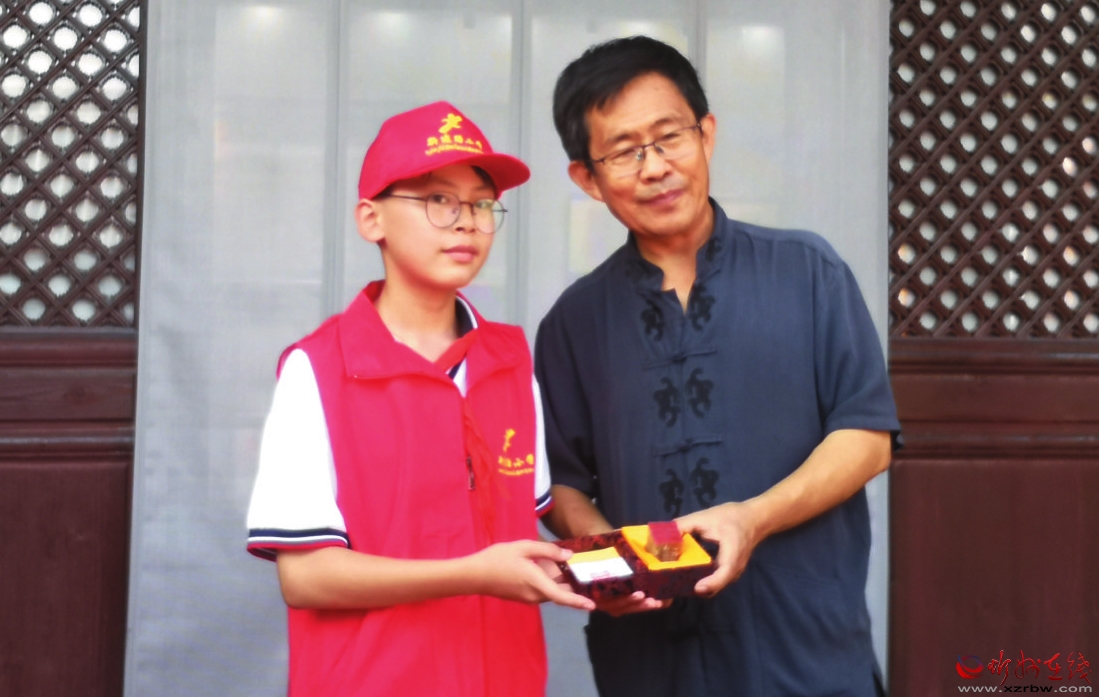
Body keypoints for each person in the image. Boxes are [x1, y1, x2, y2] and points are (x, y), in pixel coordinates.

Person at [535, 36, 901, 697]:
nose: (654, 167)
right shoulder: (572, 322)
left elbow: (867, 437)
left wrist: (752, 518)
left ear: (706, 133)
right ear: (586, 178)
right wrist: (611, 564)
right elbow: (562, 484)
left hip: (805, 652)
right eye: (624, 151)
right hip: (651, 664)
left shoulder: (807, 272)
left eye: (668, 137)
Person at [246, 101, 594, 697]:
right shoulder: (318, 370)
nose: (467, 223)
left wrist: (606, 573)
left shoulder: (510, 362)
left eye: (481, 205)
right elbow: (306, 577)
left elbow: (523, 527)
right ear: (371, 219)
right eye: (439, 200)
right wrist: (473, 574)